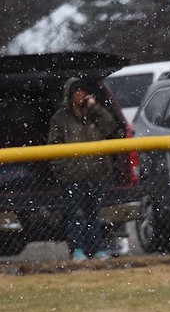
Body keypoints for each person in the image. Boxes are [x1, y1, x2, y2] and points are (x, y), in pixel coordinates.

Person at [47, 77, 123, 262]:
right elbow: (54, 147)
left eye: (84, 91)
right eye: (77, 92)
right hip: (72, 176)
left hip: (96, 174)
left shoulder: (95, 114)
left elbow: (111, 126)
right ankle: (77, 250)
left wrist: (95, 108)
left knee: (93, 214)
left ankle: (96, 249)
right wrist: (63, 170)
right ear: (70, 94)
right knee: (76, 214)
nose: (81, 95)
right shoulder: (60, 119)